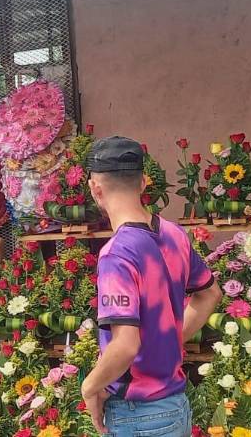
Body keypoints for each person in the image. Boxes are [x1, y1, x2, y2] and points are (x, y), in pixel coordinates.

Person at [80, 136, 223, 436]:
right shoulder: (174, 234)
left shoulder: (117, 254)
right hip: (176, 406)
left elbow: (125, 346)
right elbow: (210, 294)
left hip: (137, 415)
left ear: (95, 188)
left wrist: (89, 387)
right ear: (143, 183)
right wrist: (167, 341)